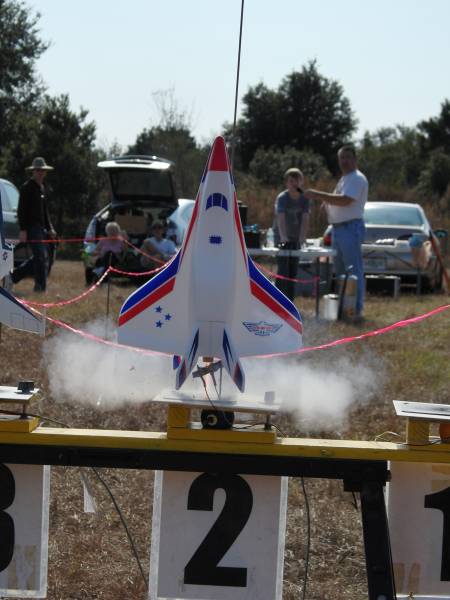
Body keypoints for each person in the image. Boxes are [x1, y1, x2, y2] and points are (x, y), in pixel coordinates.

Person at [304, 145, 368, 319]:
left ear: (355, 159)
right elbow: (338, 200)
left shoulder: (357, 178)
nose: (344, 161)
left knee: (353, 271)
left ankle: (355, 310)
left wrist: (318, 195)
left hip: (350, 228)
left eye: (348, 157)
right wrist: (327, 204)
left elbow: (346, 200)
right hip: (338, 229)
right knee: (340, 272)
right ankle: (344, 308)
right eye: (342, 158)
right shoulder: (345, 179)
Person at [8, 157, 57, 292]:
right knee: (40, 257)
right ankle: (40, 288)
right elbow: (21, 210)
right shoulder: (27, 187)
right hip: (31, 228)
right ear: (33, 171)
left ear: (45, 172)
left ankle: (13, 276)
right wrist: (23, 229)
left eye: (42, 170)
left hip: (41, 229)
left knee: (41, 257)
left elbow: (45, 212)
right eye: (37, 170)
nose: (40, 173)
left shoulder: (41, 188)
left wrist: (50, 228)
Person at [273, 168, 310, 301]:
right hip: (281, 237)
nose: (294, 184)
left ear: (301, 182)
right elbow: (281, 218)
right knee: (283, 270)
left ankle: (289, 302)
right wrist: (283, 237)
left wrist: (302, 237)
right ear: (287, 183)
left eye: (297, 181)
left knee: (293, 271)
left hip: (295, 239)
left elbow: (305, 218)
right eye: (291, 181)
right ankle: (278, 300)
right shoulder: (282, 198)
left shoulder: (304, 198)